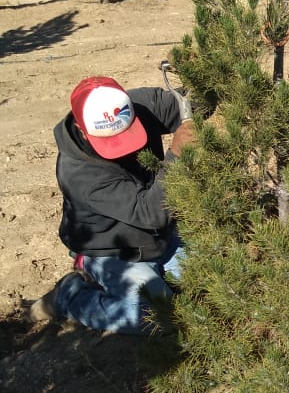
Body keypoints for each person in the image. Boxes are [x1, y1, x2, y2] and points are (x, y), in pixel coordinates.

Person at [29, 76, 195, 335]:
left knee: (213, 278)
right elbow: (151, 214)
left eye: (125, 134)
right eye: (110, 141)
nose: (121, 150)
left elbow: (189, 103)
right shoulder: (80, 174)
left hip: (159, 239)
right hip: (112, 251)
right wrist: (176, 157)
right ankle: (70, 296)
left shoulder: (131, 107)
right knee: (157, 317)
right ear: (83, 130)